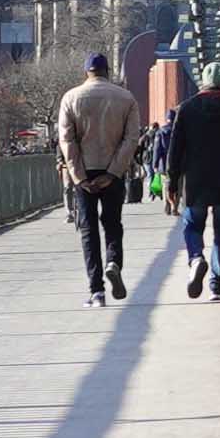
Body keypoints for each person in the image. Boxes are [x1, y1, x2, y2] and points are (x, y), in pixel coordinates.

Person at [53, 51, 145, 304]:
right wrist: (114, 172)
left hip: (84, 172)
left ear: (87, 72)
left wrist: (79, 177)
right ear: (107, 72)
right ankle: (113, 261)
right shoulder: (126, 98)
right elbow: (131, 139)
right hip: (112, 172)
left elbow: (66, 140)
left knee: (88, 230)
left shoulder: (70, 98)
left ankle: (97, 290)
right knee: (113, 224)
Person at [162, 67, 220, 299]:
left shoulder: (187, 109)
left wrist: (172, 182)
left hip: (195, 181)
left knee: (192, 225)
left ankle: (196, 258)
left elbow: (175, 149)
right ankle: (217, 283)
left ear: (203, 82)